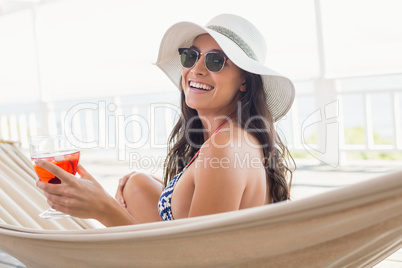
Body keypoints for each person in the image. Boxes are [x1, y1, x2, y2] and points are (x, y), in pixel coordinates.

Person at [35, 14, 295, 227]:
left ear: (244, 82)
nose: (197, 69)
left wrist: (104, 209)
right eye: (191, 56)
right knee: (136, 183)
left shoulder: (225, 149)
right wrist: (154, 184)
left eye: (216, 61)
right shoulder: (229, 138)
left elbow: (196, 261)